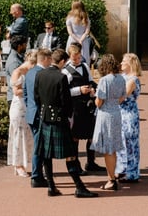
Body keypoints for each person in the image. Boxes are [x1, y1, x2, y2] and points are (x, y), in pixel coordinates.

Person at [34, 48, 98, 198]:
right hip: (59, 120)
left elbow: (36, 97)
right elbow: (66, 102)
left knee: (46, 155)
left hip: (45, 119)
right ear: (62, 61)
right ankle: (79, 187)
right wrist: (68, 117)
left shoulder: (39, 74)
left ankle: (51, 187)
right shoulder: (61, 77)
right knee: (70, 155)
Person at [63, 43, 104, 173]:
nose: (78, 60)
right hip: (75, 107)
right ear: (70, 57)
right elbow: (65, 91)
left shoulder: (85, 66)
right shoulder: (65, 71)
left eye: (79, 57)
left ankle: (91, 162)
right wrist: (79, 90)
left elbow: (91, 81)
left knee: (91, 135)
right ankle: (76, 165)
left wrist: (93, 89)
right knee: (75, 136)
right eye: (75, 58)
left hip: (88, 105)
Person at [90, 54, 126, 191]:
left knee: (108, 149)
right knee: (113, 148)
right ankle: (111, 177)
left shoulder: (104, 80)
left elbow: (99, 102)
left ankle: (111, 179)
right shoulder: (121, 78)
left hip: (105, 114)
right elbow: (122, 97)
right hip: (116, 112)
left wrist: (94, 96)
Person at [25, 47, 52, 188]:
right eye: (50, 59)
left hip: (31, 113)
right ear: (46, 59)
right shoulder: (43, 74)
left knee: (39, 144)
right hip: (40, 114)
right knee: (39, 146)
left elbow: (25, 94)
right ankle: (36, 176)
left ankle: (38, 174)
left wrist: (31, 108)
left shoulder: (29, 73)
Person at [8, 50, 37, 177]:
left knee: (27, 134)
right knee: (18, 134)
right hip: (19, 106)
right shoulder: (18, 71)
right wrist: (30, 90)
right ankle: (18, 165)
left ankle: (24, 163)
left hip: (28, 105)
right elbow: (15, 91)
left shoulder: (32, 71)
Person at [116, 52, 143, 183]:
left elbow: (122, 97)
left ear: (130, 64)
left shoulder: (132, 80)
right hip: (120, 113)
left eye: (123, 62)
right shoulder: (122, 76)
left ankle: (132, 172)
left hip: (128, 113)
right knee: (121, 140)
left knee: (130, 141)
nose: (121, 64)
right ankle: (121, 169)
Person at [65, 0, 93, 65]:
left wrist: (77, 39)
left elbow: (70, 32)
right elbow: (87, 31)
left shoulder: (69, 17)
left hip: (73, 39)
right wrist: (81, 40)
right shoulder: (86, 17)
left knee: (71, 56)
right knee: (84, 57)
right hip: (84, 40)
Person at [6, 35, 28, 106]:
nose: (26, 46)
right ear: (19, 46)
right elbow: (17, 83)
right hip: (15, 99)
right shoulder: (14, 62)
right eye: (25, 44)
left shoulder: (17, 58)